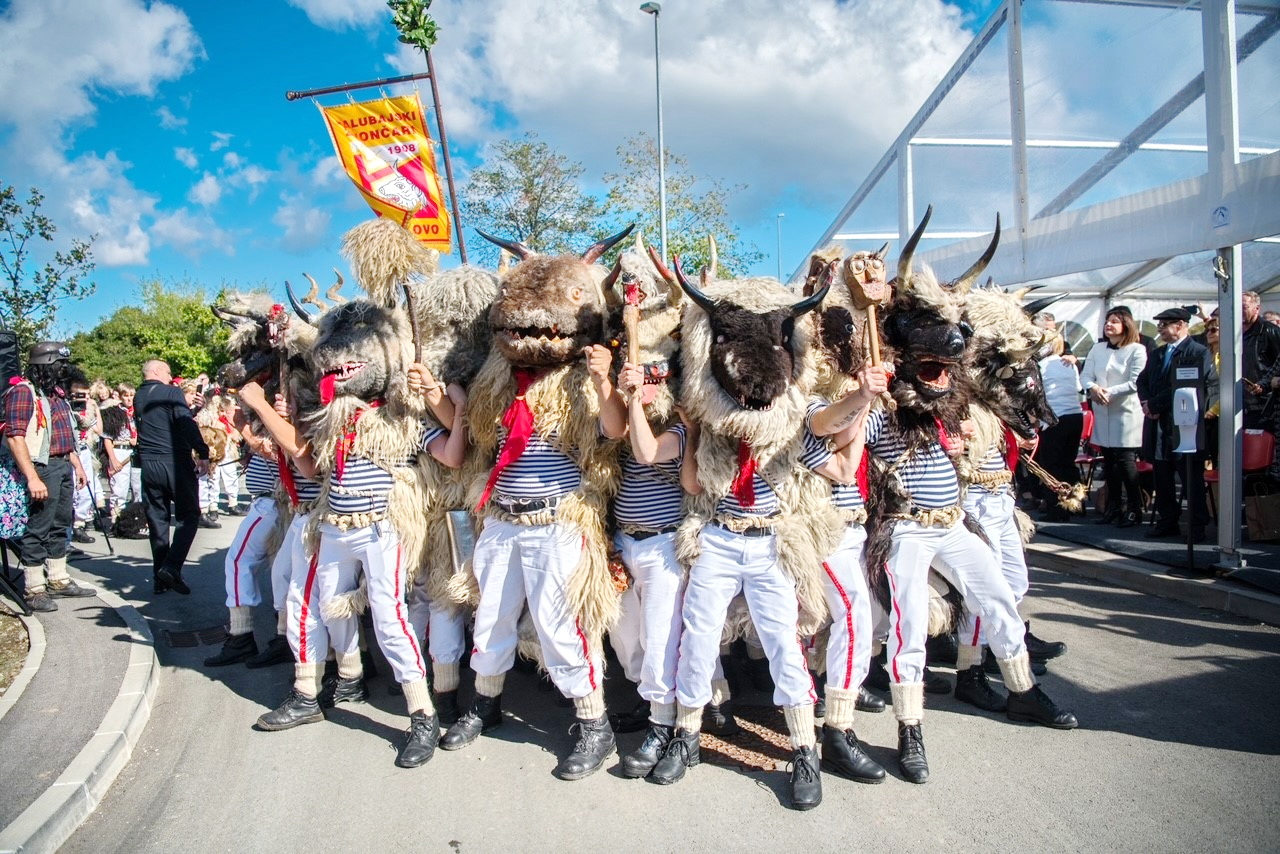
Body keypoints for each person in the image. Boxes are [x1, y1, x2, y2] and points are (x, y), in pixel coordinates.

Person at [2, 342, 96, 612]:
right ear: (45, 365)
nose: (64, 369)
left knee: (60, 524)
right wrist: (32, 477)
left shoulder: (55, 393)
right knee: (38, 527)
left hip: (62, 464)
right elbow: (15, 436)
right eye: (60, 365)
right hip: (42, 467)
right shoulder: (23, 391)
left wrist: (76, 465)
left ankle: (58, 579)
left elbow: (64, 433)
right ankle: (34, 589)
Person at [1136, 307, 1219, 544]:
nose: (1160, 329)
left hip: (1184, 425)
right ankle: (1167, 520)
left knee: (1190, 478)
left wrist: (1155, 404)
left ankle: (1196, 525)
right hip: (1159, 424)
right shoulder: (1158, 353)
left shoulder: (1197, 351)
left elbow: (1186, 385)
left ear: (1181, 325)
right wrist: (1146, 403)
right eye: (1159, 325)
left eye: (1165, 325)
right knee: (1162, 475)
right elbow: (1142, 380)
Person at [135, 359, 210, 594]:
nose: (171, 377)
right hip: (173, 461)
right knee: (189, 516)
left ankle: (160, 578)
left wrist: (193, 410)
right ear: (157, 371)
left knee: (158, 521)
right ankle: (172, 566)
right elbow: (184, 424)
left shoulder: (139, 395)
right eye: (168, 373)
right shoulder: (171, 392)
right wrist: (203, 451)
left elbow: (167, 422)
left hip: (149, 463)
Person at [1081, 308, 1148, 527]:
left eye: (1114, 322)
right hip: (1103, 411)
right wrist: (1093, 388)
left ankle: (1134, 508)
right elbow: (1085, 375)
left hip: (1125, 411)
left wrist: (1107, 392)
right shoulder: (1097, 348)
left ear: (1126, 325)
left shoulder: (1137, 349)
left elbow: (1135, 382)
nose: (1108, 325)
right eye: (1107, 321)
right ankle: (1114, 506)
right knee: (1109, 462)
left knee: (1125, 461)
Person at [1035, 332, 1084, 522]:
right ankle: (1076, 504)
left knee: (1051, 466)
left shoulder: (1041, 366)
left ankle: (1057, 509)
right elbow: (1078, 387)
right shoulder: (1070, 364)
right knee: (1068, 463)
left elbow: (1036, 393)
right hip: (1075, 415)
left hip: (1055, 418)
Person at [68, 376, 101, 543]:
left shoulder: (89, 408)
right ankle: (68, 525)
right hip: (70, 451)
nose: (84, 399)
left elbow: (97, 429)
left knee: (87, 490)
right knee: (72, 490)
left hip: (84, 450)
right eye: (80, 395)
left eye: (87, 395)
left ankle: (79, 524)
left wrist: (94, 410)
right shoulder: (66, 407)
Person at [1241, 291, 1280, 430]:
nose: (1239, 311)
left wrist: (1264, 385)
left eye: (1244, 307)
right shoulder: (1233, 333)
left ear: (1257, 308)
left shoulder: (1271, 331)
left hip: (1265, 405)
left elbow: (1277, 367)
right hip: (1241, 403)